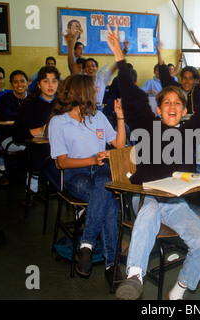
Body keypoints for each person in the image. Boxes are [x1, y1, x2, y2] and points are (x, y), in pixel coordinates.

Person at [107, 22, 200, 300]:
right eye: (166, 103)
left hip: (175, 204)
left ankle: (179, 290)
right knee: (149, 210)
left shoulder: (190, 133)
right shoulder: (148, 127)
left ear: (184, 110)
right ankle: (135, 276)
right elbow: (132, 97)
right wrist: (120, 60)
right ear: (159, 110)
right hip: (145, 197)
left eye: (177, 104)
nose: (172, 107)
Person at [48, 73, 126, 288]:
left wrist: (120, 116)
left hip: (101, 171)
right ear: (80, 93)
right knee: (108, 201)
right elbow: (61, 163)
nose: (95, 92)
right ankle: (112, 265)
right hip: (75, 175)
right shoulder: (58, 122)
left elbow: (119, 145)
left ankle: (86, 245)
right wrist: (92, 158)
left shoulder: (98, 117)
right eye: (92, 89)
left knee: (104, 189)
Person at [10, 66, 60, 205]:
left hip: (64, 149)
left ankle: (72, 193)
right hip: (40, 151)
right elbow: (17, 134)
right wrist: (39, 130)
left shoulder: (64, 104)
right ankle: (32, 192)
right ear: (38, 84)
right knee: (45, 159)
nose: (50, 85)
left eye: (54, 81)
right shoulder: (30, 104)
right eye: (46, 81)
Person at [158, 37, 200, 115]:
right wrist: (159, 52)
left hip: (195, 125)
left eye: (190, 78)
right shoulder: (176, 89)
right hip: (177, 124)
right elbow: (164, 74)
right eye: (184, 78)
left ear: (196, 81)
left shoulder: (199, 91)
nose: (186, 82)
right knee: (156, 125)